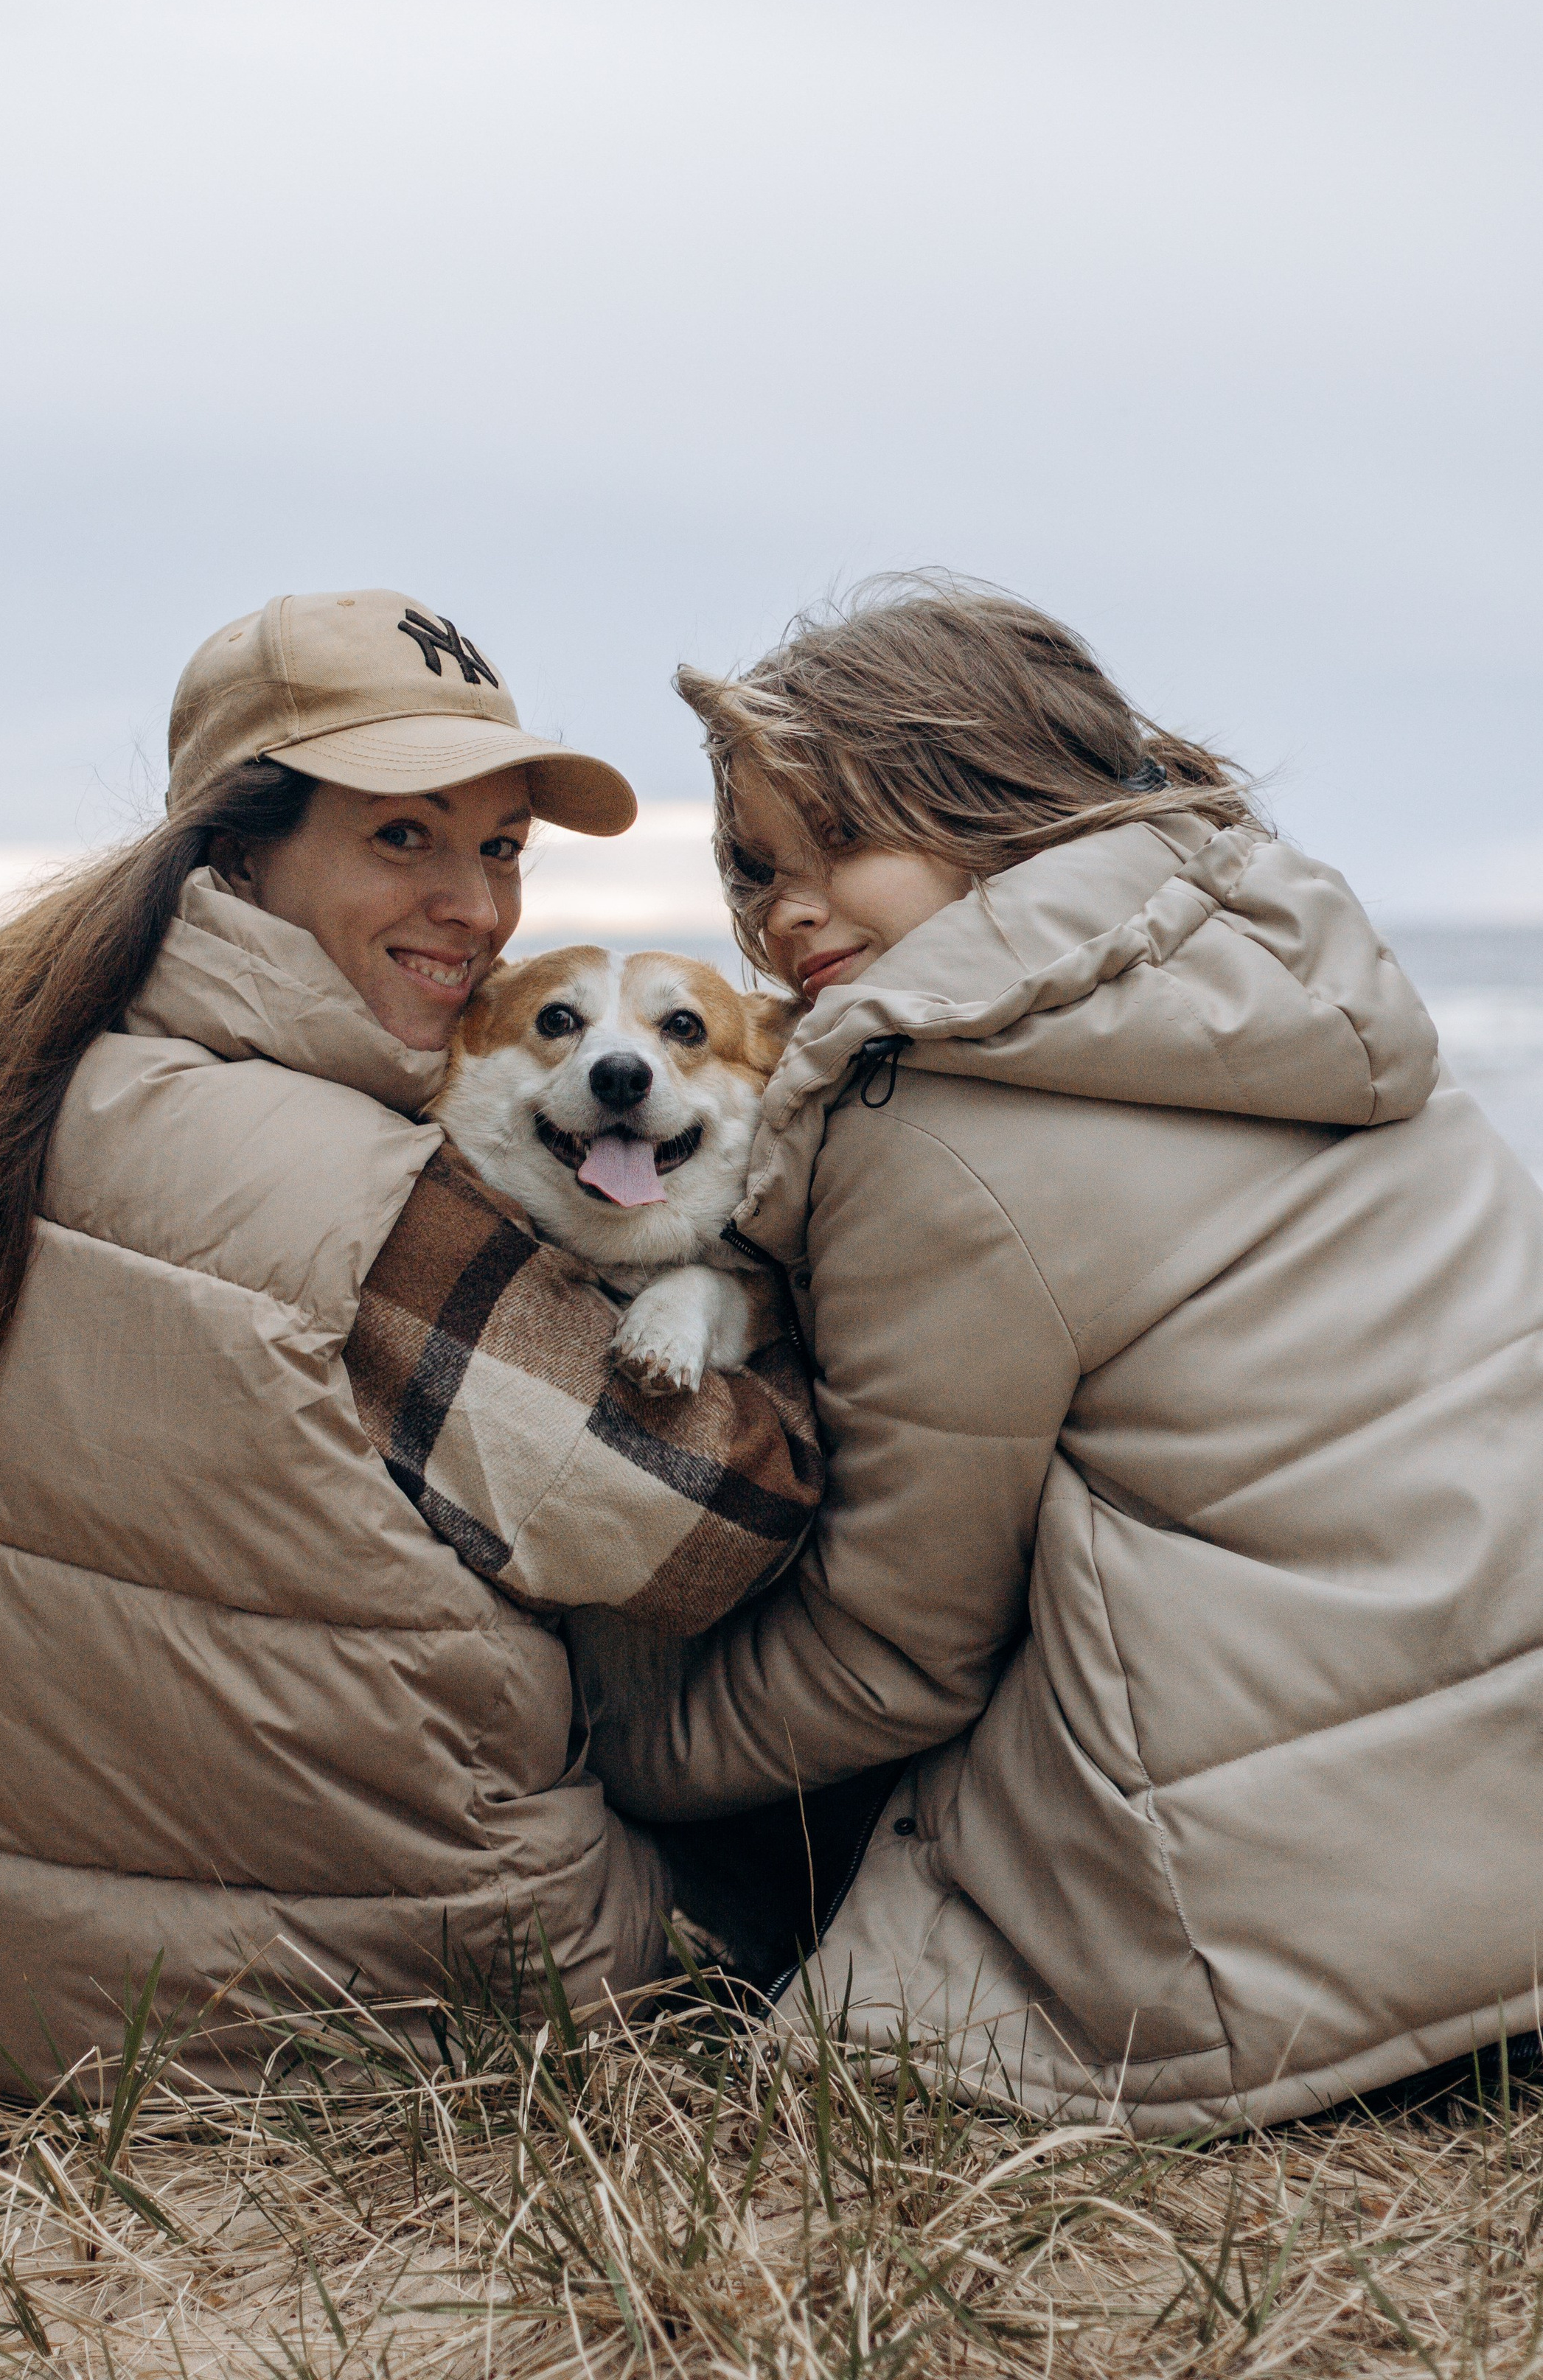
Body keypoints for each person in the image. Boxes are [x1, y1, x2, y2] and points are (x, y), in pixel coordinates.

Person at [0, 589, 818, 2092]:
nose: (474, 909)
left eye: (496, 849)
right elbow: (712, 1528)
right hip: (292, 2002)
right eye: (401, 837)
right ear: (240, 845)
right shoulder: (344, 1190)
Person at [581, 574, 1543, 2135]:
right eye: (758, 866)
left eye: (845, 841)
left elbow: (894, 1653)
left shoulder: (933, 1119)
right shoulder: (1281, 978)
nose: (787, 912)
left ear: (993, 803)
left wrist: (617, 1755)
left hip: (1286, 1921)